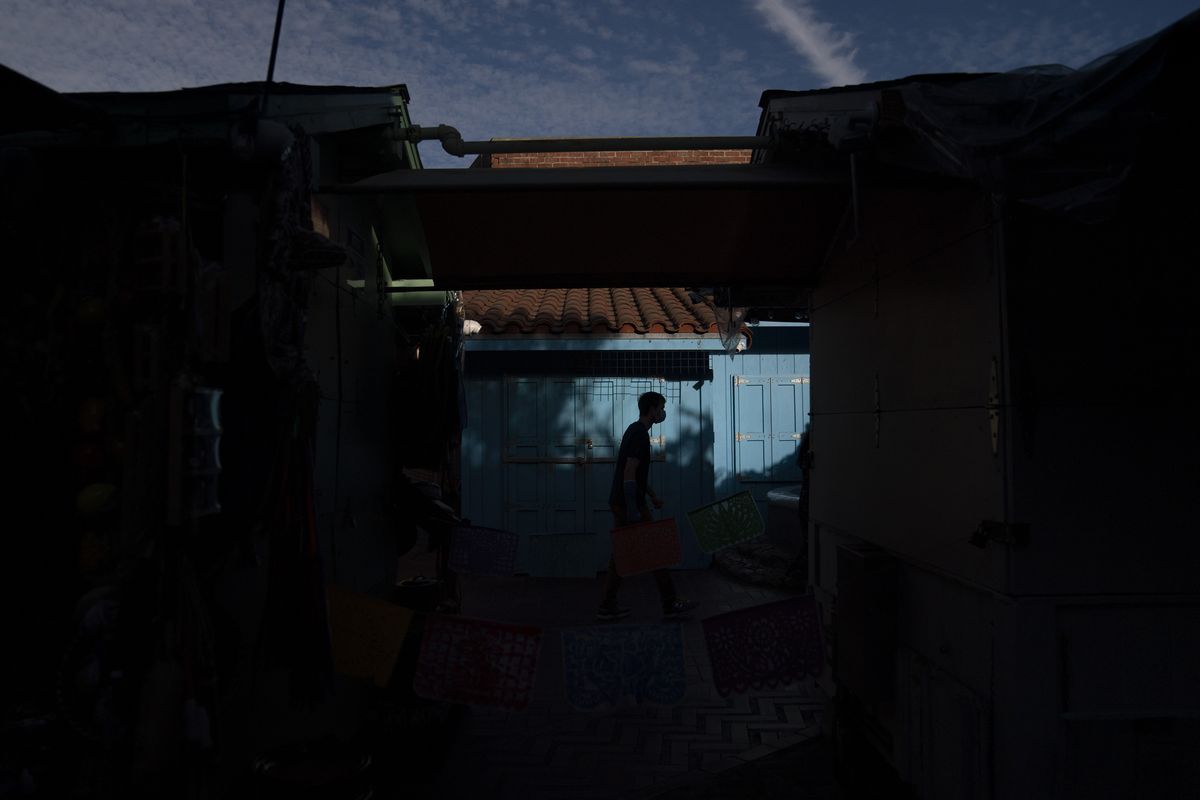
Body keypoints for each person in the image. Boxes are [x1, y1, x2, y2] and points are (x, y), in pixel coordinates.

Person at [596, 391, 699, 621]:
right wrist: (634, 509)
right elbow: (630, 471)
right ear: (651, 409)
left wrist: (651, 495)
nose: (663, 412)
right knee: (649, 549)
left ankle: (609, 604)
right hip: (627, 504)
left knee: (627, 553)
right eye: (661, 407)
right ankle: (668, 601)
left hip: (626, 501)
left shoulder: (635, 430)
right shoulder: (640, 434)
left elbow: (636, 472)